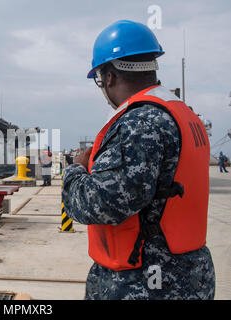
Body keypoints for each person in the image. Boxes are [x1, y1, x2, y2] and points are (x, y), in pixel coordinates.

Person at [62, 20, 215, 300]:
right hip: (189, 273)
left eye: (100, 79)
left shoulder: (139, 122)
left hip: (145, 280)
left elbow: (100, 205)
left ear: (109, 76)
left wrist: (75, 171)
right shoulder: (183, 114)